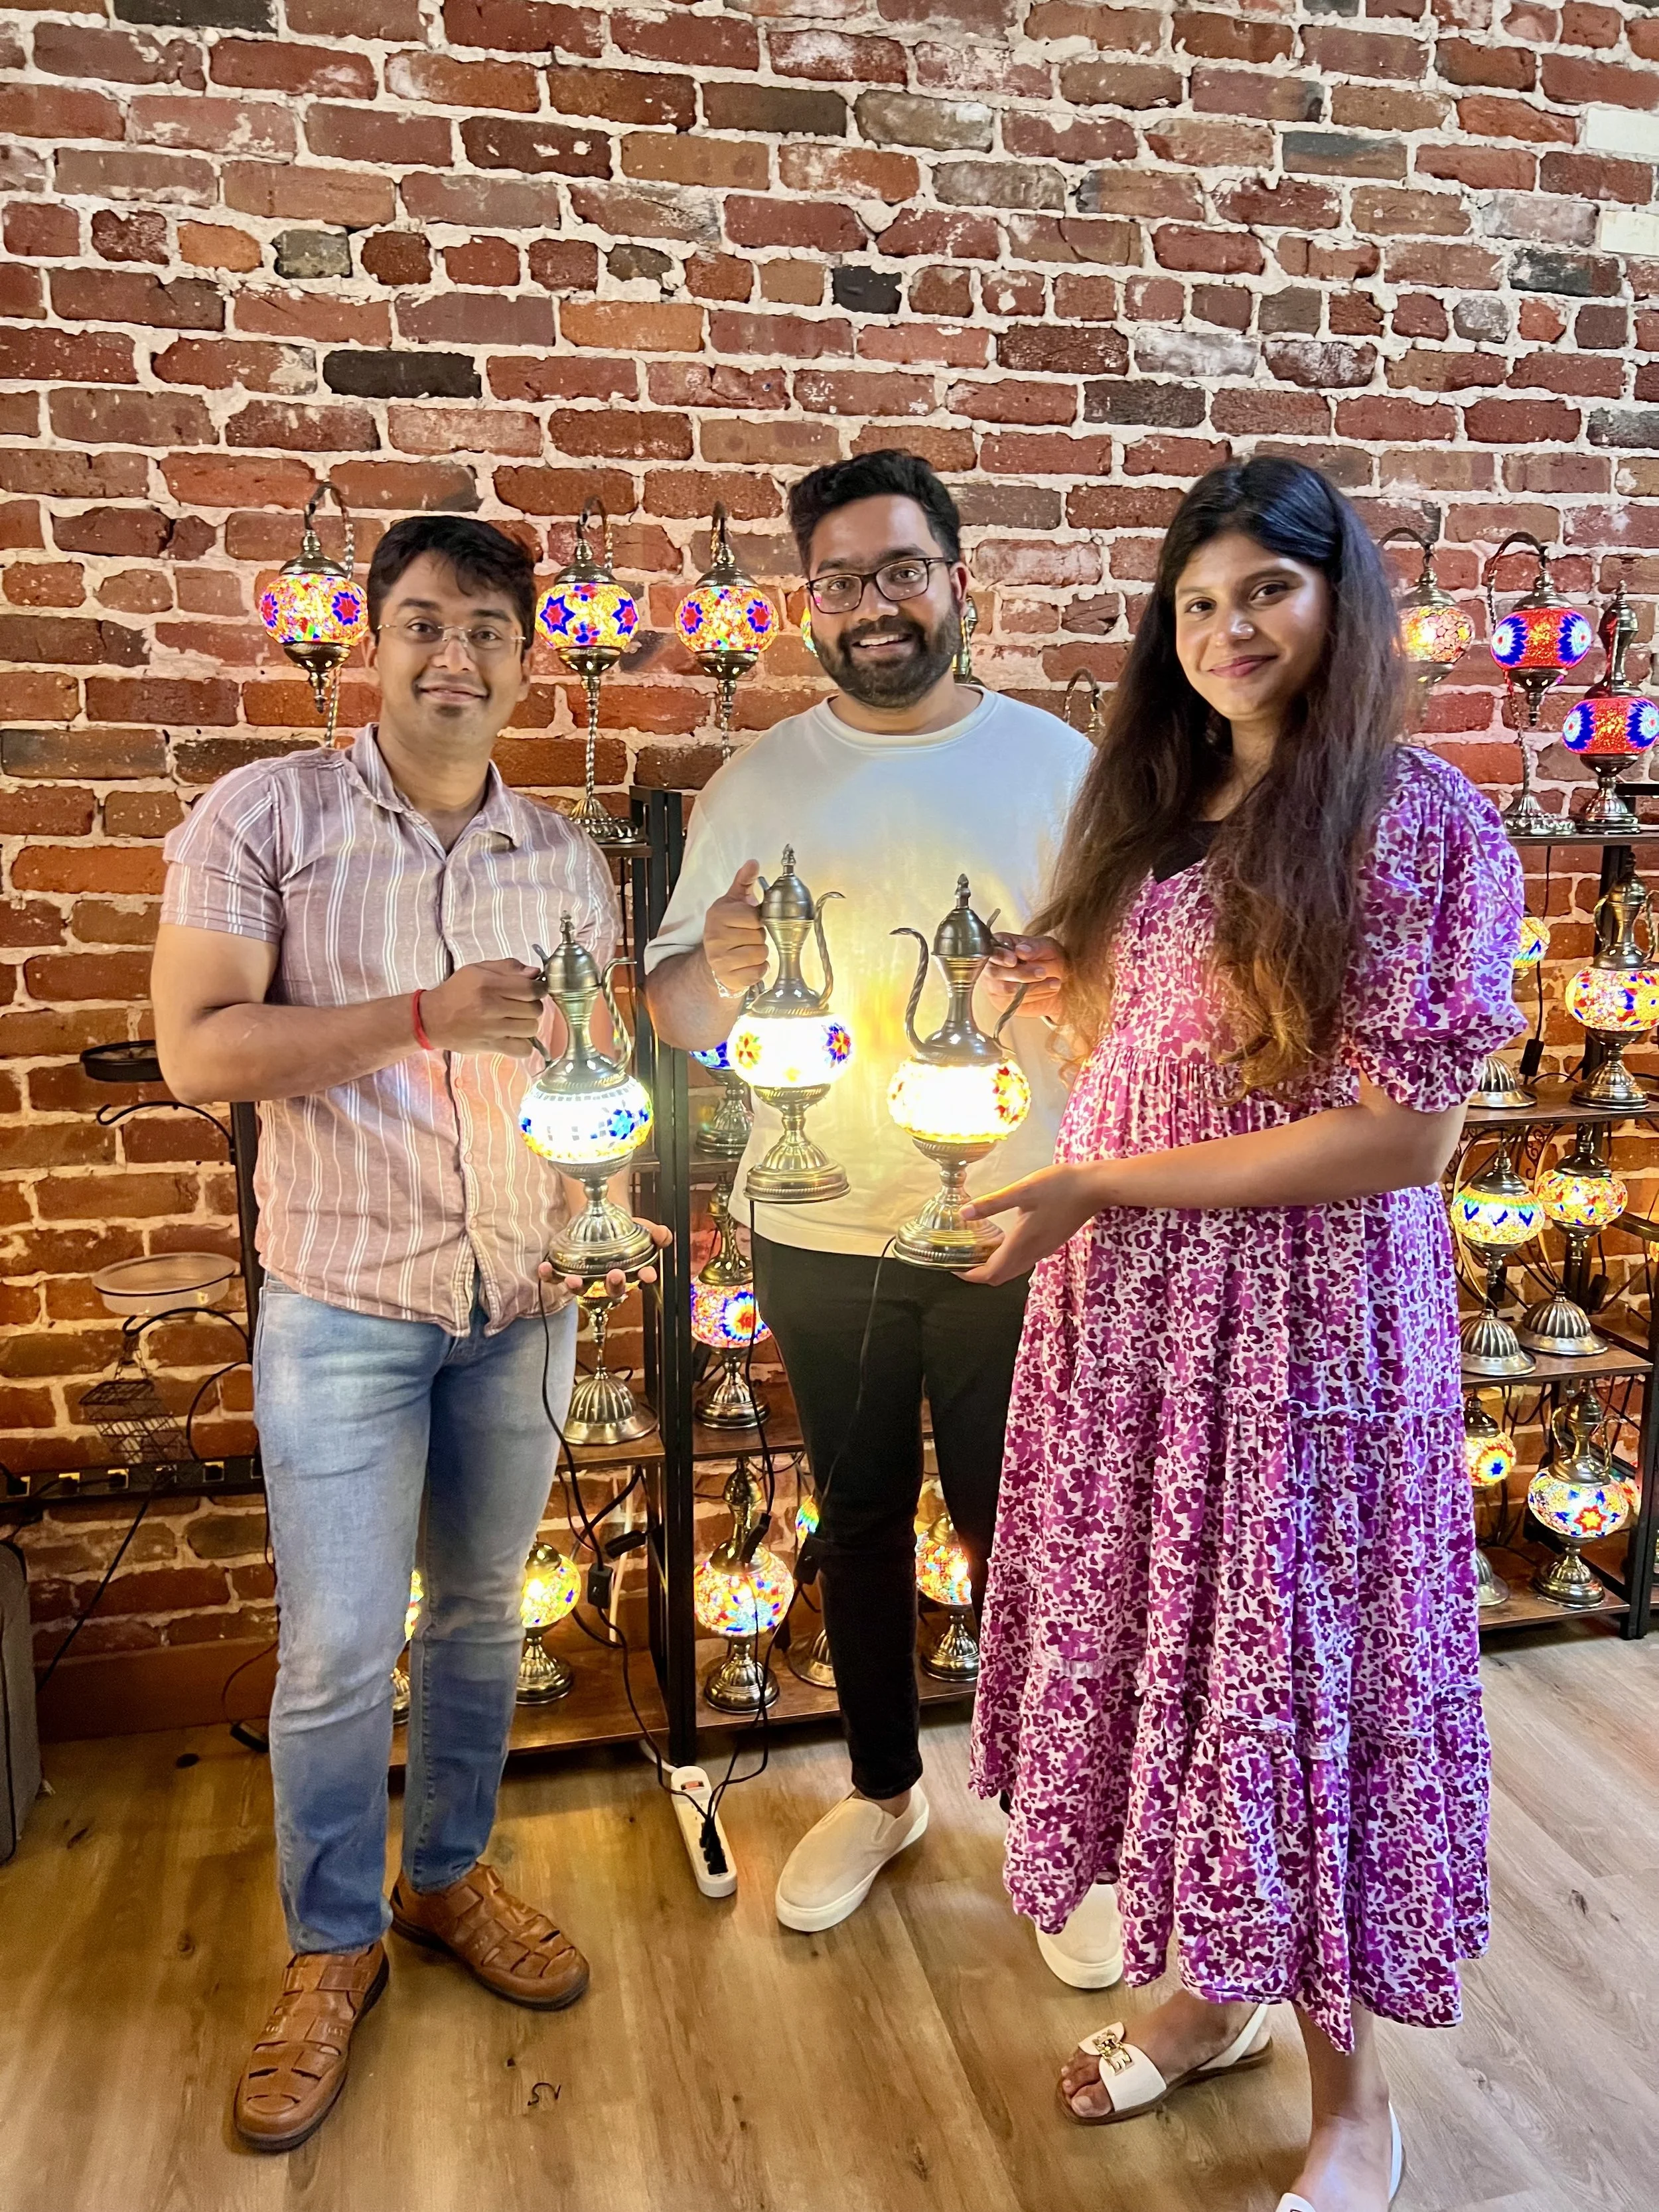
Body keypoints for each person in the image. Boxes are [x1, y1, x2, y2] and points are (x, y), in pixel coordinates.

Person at [962, 459, 1523, 2212]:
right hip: (1134, 1319)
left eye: (1263, 591)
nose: (1227, 631)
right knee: (1195, 1673)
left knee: (1313, 1678)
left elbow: (1400, 1135)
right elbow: (1163, 1034)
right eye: (1196, 603)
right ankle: (1208, 1995)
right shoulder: (1165, 801)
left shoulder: (1416, 816)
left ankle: (1353, 2101)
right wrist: (1054, 990)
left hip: (1311, 1333)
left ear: (1336, 597)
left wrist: (1107, 1184)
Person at [151, 514, 662, 2153]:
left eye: (490, 630)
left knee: (476, 1629)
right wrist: (421, 1017)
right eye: (425, 624)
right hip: (343, 1306)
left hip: (518, 1302)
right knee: (331, 1652)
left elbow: (589, 1059)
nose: (457, 657)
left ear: (528, 655)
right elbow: (199, 1055)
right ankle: (328, 1944)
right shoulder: (266, 816)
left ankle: (441, 1880)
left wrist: (608, 1201)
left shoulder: (565, 851)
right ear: (375, 640)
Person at [644, 449, 1114, 1966]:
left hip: (1019, 1217)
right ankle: (883, 1786)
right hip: (818, 1218)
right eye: (841, 580)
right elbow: (671, 1015)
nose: (874, 605)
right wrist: (714, 969)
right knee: (850, 1522)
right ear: (807, 605)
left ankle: (1058, 1830)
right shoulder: (754, 783)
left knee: (1026, 1528)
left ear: (958, 578)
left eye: (901, 569)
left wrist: (1074, 982)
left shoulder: (1063, 767)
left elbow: (1145, 997)